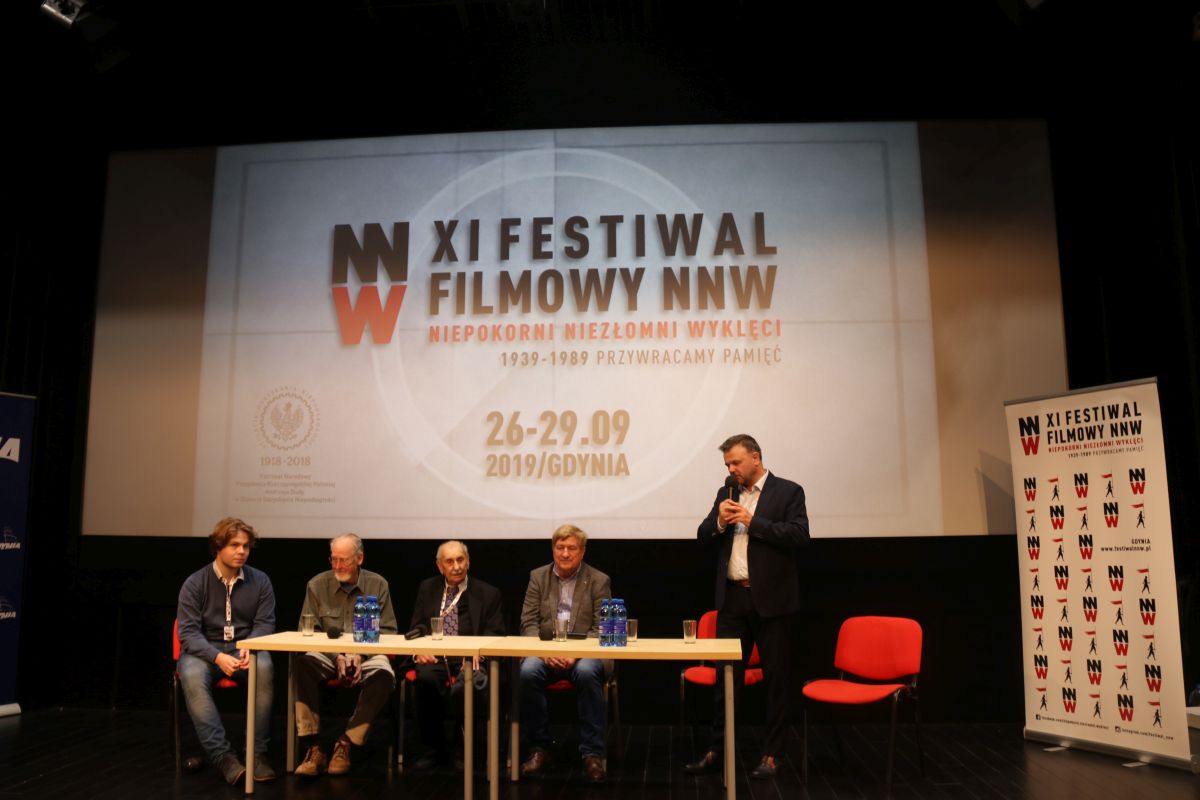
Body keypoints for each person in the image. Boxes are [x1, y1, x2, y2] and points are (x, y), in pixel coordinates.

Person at [685, 434, 809, 780]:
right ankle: (718, 750)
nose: (731, 469)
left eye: (736, 462)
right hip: (733, 599)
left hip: (772, 601)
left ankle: (773, 754)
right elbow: (703, 534)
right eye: (727, 464)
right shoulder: (726, 493)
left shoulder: (788, 492)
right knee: (726, 679)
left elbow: (799, 535)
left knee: (776, 680)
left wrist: (754, 523)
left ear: (756, 457)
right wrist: (720, 521)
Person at [176, 517, 277, 785]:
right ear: (218, 547)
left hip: (243, 647)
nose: (241, 551)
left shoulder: (260, 581)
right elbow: (188, 633)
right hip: (204, 651)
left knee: (265, 666)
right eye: (234, 545)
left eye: (245, 546)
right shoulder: (195, 583)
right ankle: (224, 758)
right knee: (192, 675)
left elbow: (265, 623)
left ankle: (257, 755)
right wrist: (217, 657)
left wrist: (250, 645)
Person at [294, 533, 398, 777]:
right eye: (334, 559)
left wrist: (360, 655)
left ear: (359, 559)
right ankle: (313, 746)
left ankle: (346, 742)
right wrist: (337, 656)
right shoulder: (317, 585)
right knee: (302, 665)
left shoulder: (378, 584)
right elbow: (307, 632)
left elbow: (388, 630)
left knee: (384, 674)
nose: (337, 566)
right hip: (328, 654)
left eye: (344, 560)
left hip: (368, 653)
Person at [518, 524, 611, 783]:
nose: (565, 553)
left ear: (582, 551)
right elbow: (528, 623)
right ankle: (540, 748)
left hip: (584, 654)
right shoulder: (538, 577)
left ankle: (592, 753)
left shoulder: (599, 580)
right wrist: (545, 652)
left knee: (587, 671)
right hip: (545, 651)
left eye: (571, 548)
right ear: (553, 550)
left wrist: (576, 653)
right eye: (560, 548)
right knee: (528, 671)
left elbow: (601, 627)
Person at [407, 540, 505, 769]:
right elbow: (418, 625)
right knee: (426, 678)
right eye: (449, 562)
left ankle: (462, 746)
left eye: (460, 560)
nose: (457, 566)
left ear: (468, 561)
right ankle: (434, 748)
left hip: (470, 658)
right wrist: (419, 651)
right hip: (436, 655)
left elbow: (496, 631)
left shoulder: (488, 593)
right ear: (440, 566)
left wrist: (479, 652)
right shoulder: (428, 588)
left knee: (469, 684)